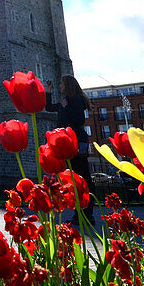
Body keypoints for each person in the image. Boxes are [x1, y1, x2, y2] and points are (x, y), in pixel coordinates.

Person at [46, 74, 96, 226]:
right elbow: (48, 108)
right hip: (68, 142)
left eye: (61, 84)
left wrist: (66, 107)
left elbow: (79, 120)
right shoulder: (65, 100)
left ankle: (87, 214)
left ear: (67, 85)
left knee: (82, 178)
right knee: (74, 179)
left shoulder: (75, 100)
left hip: (77, 142)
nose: (59, 86)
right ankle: (79, 214)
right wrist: (48, 91)